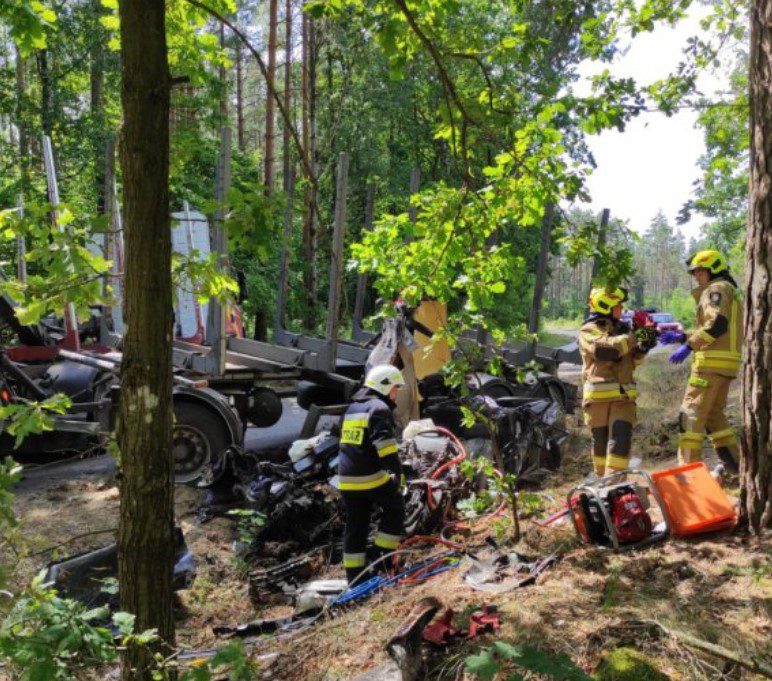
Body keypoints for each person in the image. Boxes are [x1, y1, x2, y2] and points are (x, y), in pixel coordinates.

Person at [660, 249, 742, 473]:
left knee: (690, 417)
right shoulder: (730, 290)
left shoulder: (715, 289)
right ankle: (737, 469)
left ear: (713, 270)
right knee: (715, 417)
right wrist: (682, 337)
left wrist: (689, 346)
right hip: (725, 366)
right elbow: (718, 330)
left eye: (699, 271)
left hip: (709, 366)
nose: (696, 276)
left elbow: (717, 325)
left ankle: (689, 474)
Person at [338, 364, 406, 584]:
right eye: (395, 388)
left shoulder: (351, 409)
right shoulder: (379, 408)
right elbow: (386, 448)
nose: (396, 394)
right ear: (384, 386)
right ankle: (381, 561)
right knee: (396, 508)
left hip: (346, 480)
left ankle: (355, 578)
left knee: (356, 525)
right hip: (369, 478)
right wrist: (397, 475)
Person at [579, 287, 654, 477]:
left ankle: (615, 481)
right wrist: (634, 336)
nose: (622, 309)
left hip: (624, 398)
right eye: (618, 305)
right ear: (606, 306)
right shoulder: (589, 330)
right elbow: (606, 351)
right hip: (598, 401)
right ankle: (600, 480)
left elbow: (633, 360)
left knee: (620, 442)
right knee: (601, 447)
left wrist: (645, 344)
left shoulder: (624, 330)